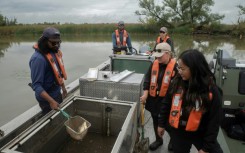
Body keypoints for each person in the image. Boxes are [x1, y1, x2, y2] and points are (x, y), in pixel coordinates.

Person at [158, 49, 223, 153]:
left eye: (182, 69)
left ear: (194, 69)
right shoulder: (176, 82)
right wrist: (161, 124)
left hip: (201, 131)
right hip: (179, 131)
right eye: (178, 67)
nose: (179, 71)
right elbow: (166, 102)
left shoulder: (212, 90)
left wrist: (206, 148)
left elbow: (214, 121)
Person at [140, 42, 177, 151]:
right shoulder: (154, 63)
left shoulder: (176, 67)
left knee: (169, 124)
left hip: (168, 102)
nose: (157, 58)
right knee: (156, 120)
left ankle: (172, 140)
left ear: (168, 54)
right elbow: (147, 79)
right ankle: (159, 140)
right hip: (154, 100)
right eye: (156, 55)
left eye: (160, 56)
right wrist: (145, 94)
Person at [29, 27, 67, 115]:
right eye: (53, 43)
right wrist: (51, 101)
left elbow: (58, 74)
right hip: (47, 99)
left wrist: (64, 89)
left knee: (59, 116)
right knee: (51, 119)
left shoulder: (53, 52)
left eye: (58, 42)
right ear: (44, 41)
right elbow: (37, 86)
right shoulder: (38, 59)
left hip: (57, 92)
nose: (57, 45)